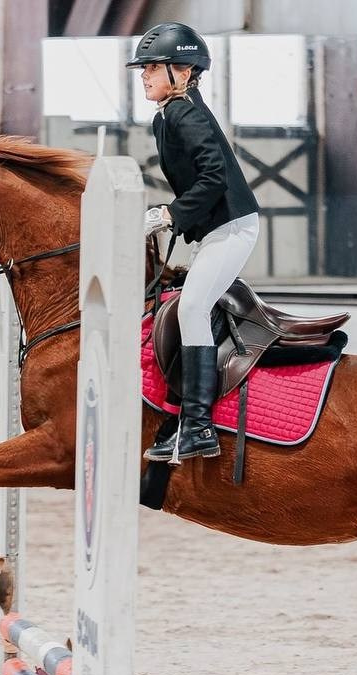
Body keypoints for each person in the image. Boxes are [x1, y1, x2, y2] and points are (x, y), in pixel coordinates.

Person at [128, 22, 261, 464]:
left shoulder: (184, 111)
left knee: (191, 308)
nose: (144, 75)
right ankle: (185, 419)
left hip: (233, 226)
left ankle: (200, 425)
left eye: (151, 67)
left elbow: (214, 177)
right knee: (183, 306)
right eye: (143, 68)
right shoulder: (171, 112)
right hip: (213, 229)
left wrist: (170, 214)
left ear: (182, 72)